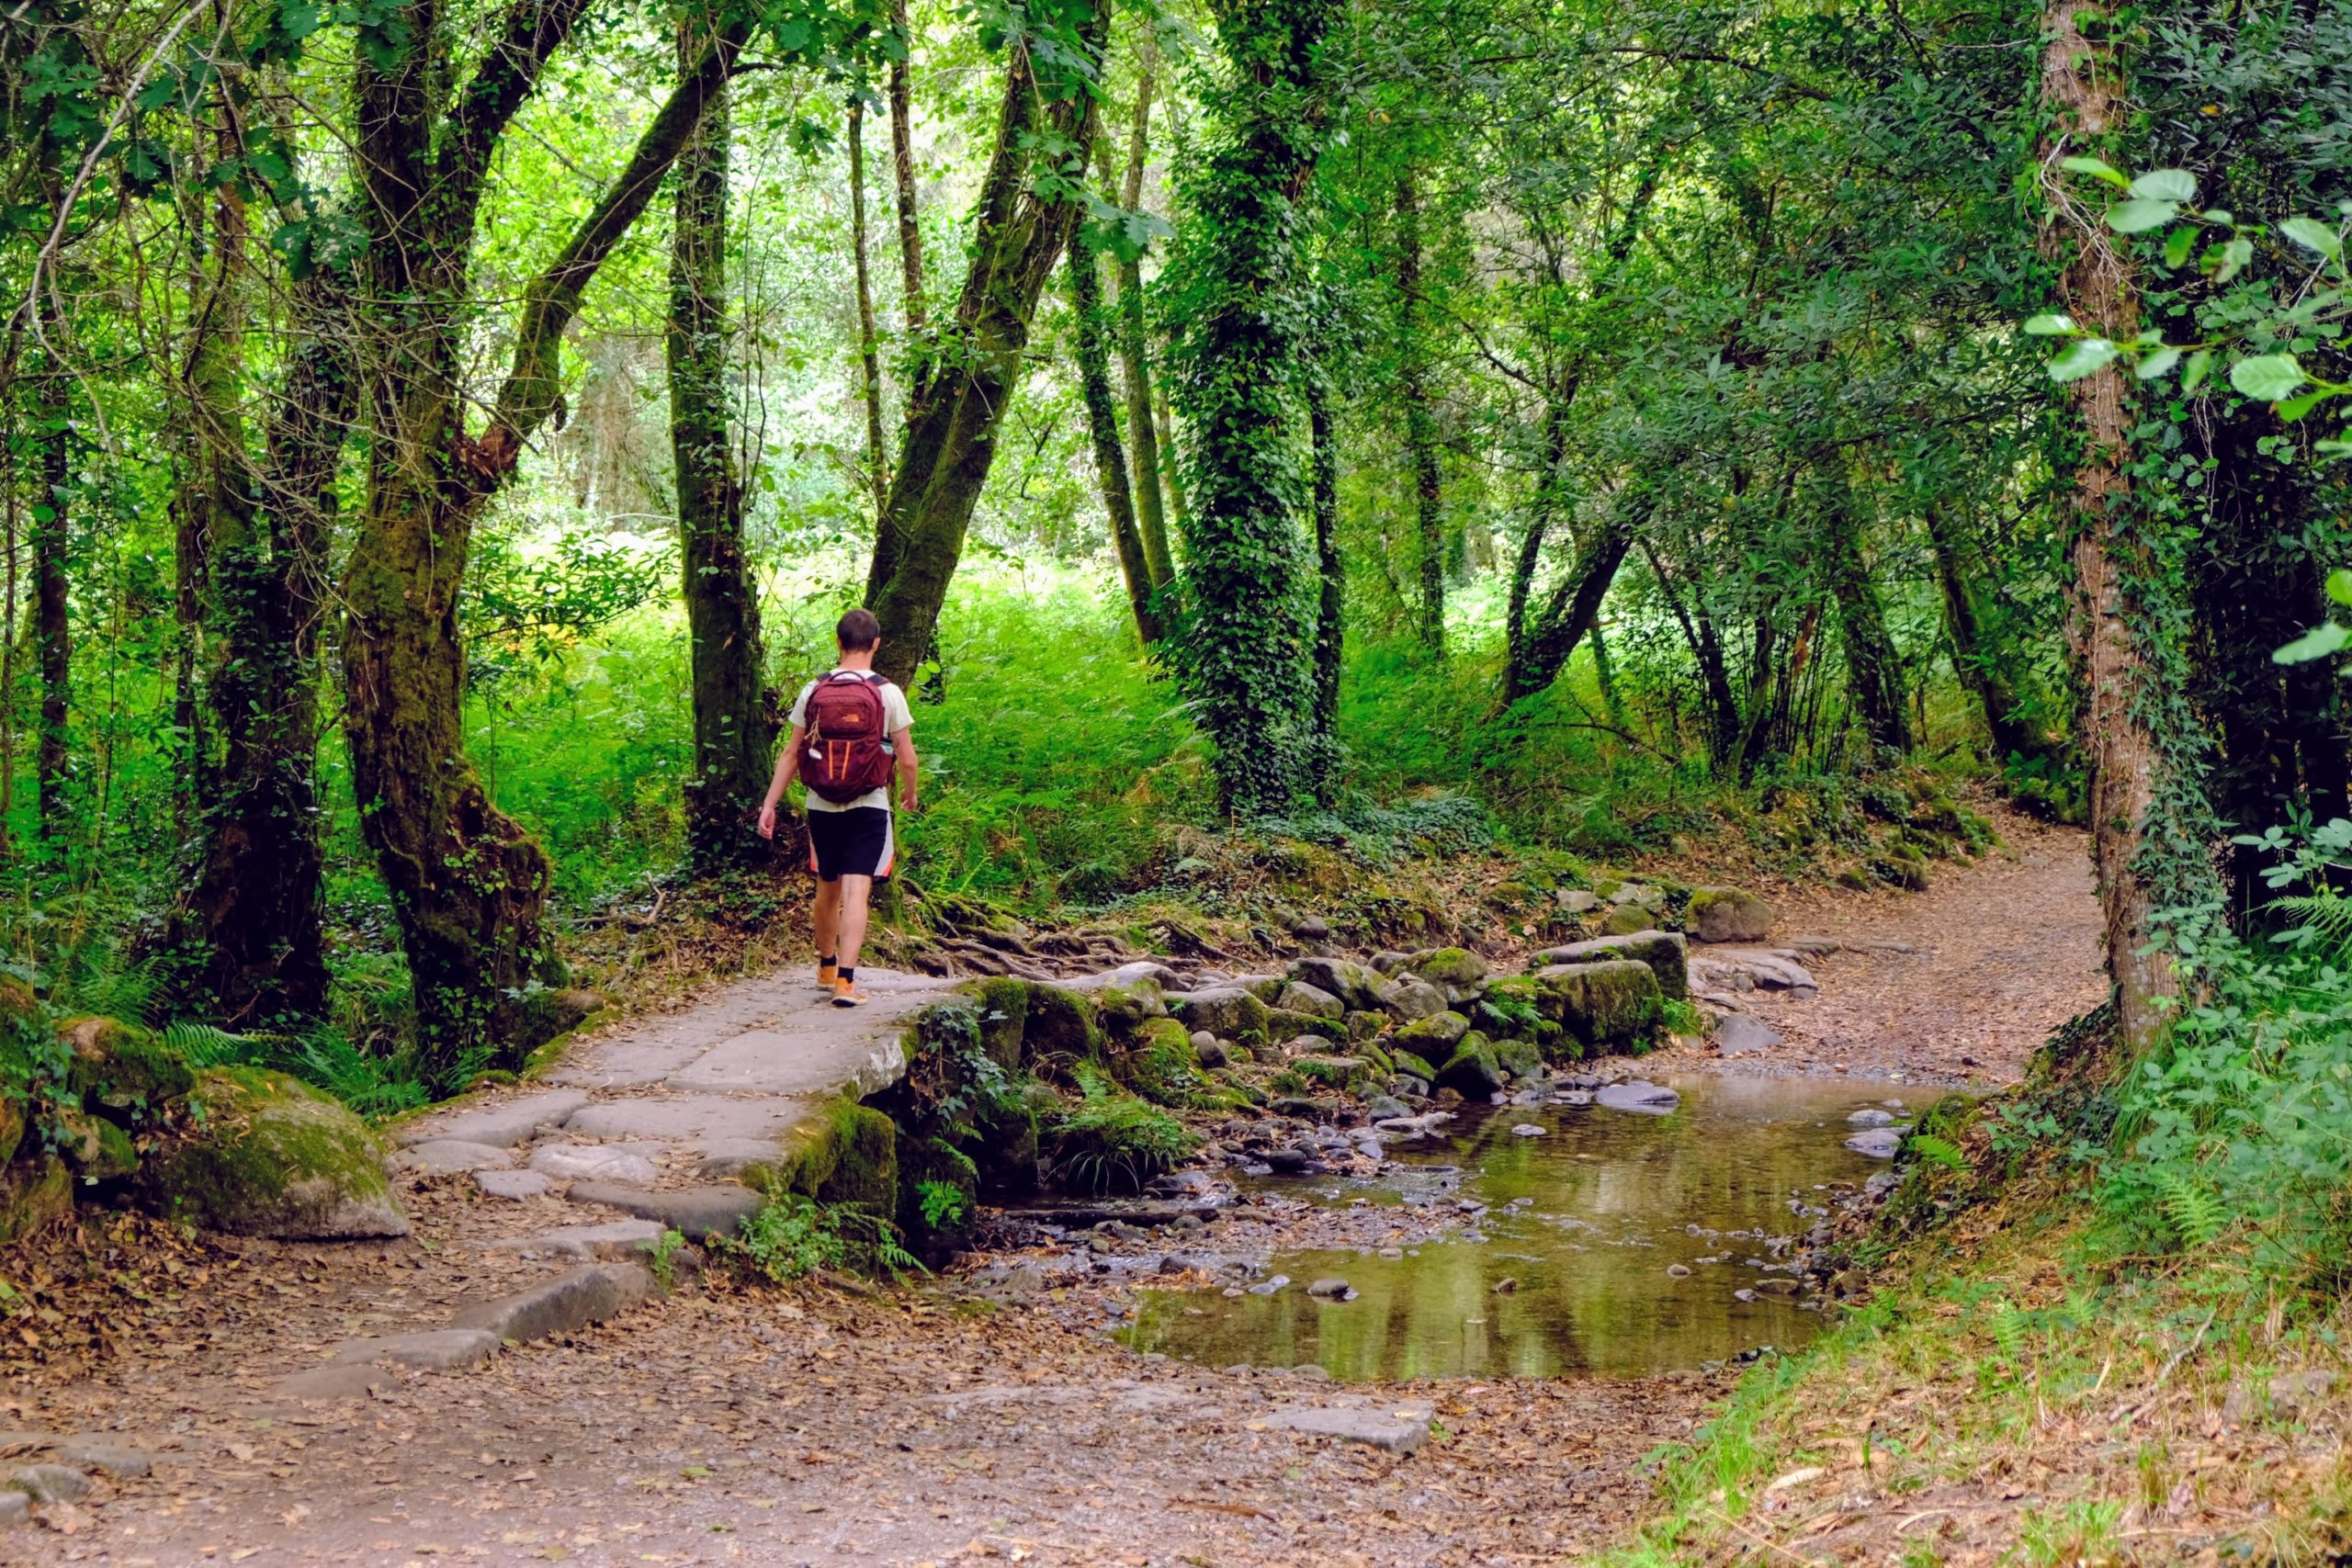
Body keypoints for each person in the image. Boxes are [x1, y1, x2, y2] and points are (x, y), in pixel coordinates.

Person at [757, 608, 919, 1007]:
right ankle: (846, 983)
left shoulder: (814, 689)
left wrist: (769, 804)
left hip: (821, 803)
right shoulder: (887, 692)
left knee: (826, 887)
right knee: (857, 890)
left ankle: (826, 967)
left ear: (838, 642)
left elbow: (792, 753)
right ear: (876, 644)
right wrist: (911, 794)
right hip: (869, 803)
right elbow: (908, 756)